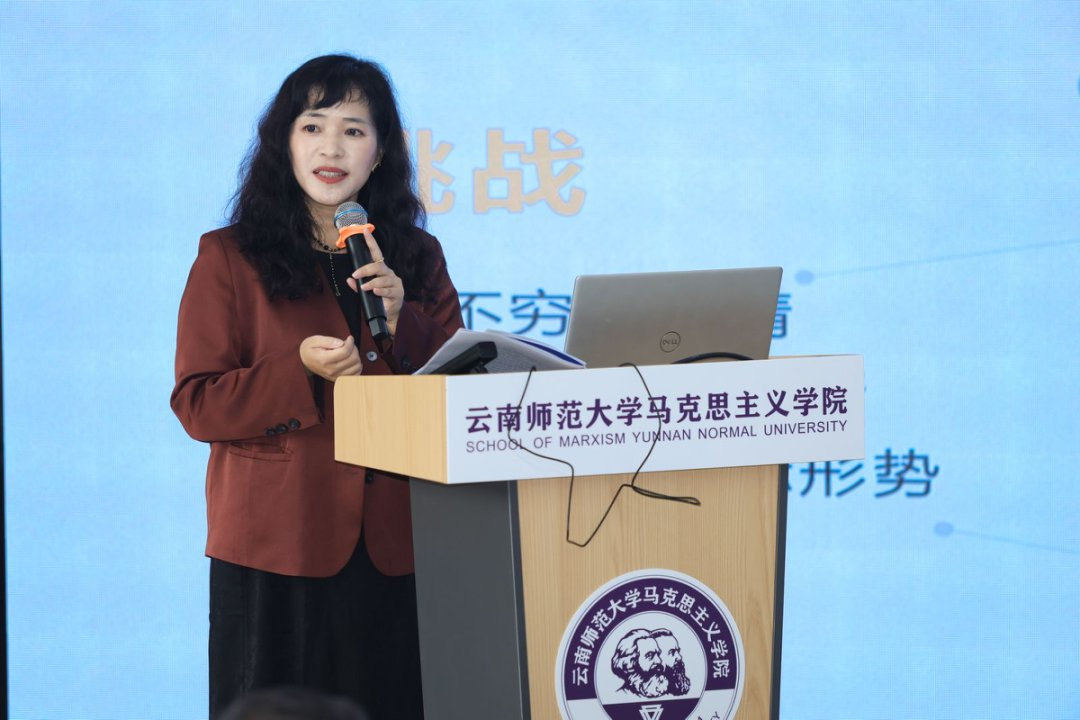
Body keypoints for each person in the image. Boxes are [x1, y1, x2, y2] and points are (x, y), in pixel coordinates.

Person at [171, 54, 463, 720]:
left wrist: (406, 324)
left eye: (354, 130)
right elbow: (198, 402)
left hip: (396, 545)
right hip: (276, 545)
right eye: (313, 126)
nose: (332, 147)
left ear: (380, 152)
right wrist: (297, 370)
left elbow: (459, 388)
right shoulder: (229, 256)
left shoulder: (416, 258)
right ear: (285, 142)